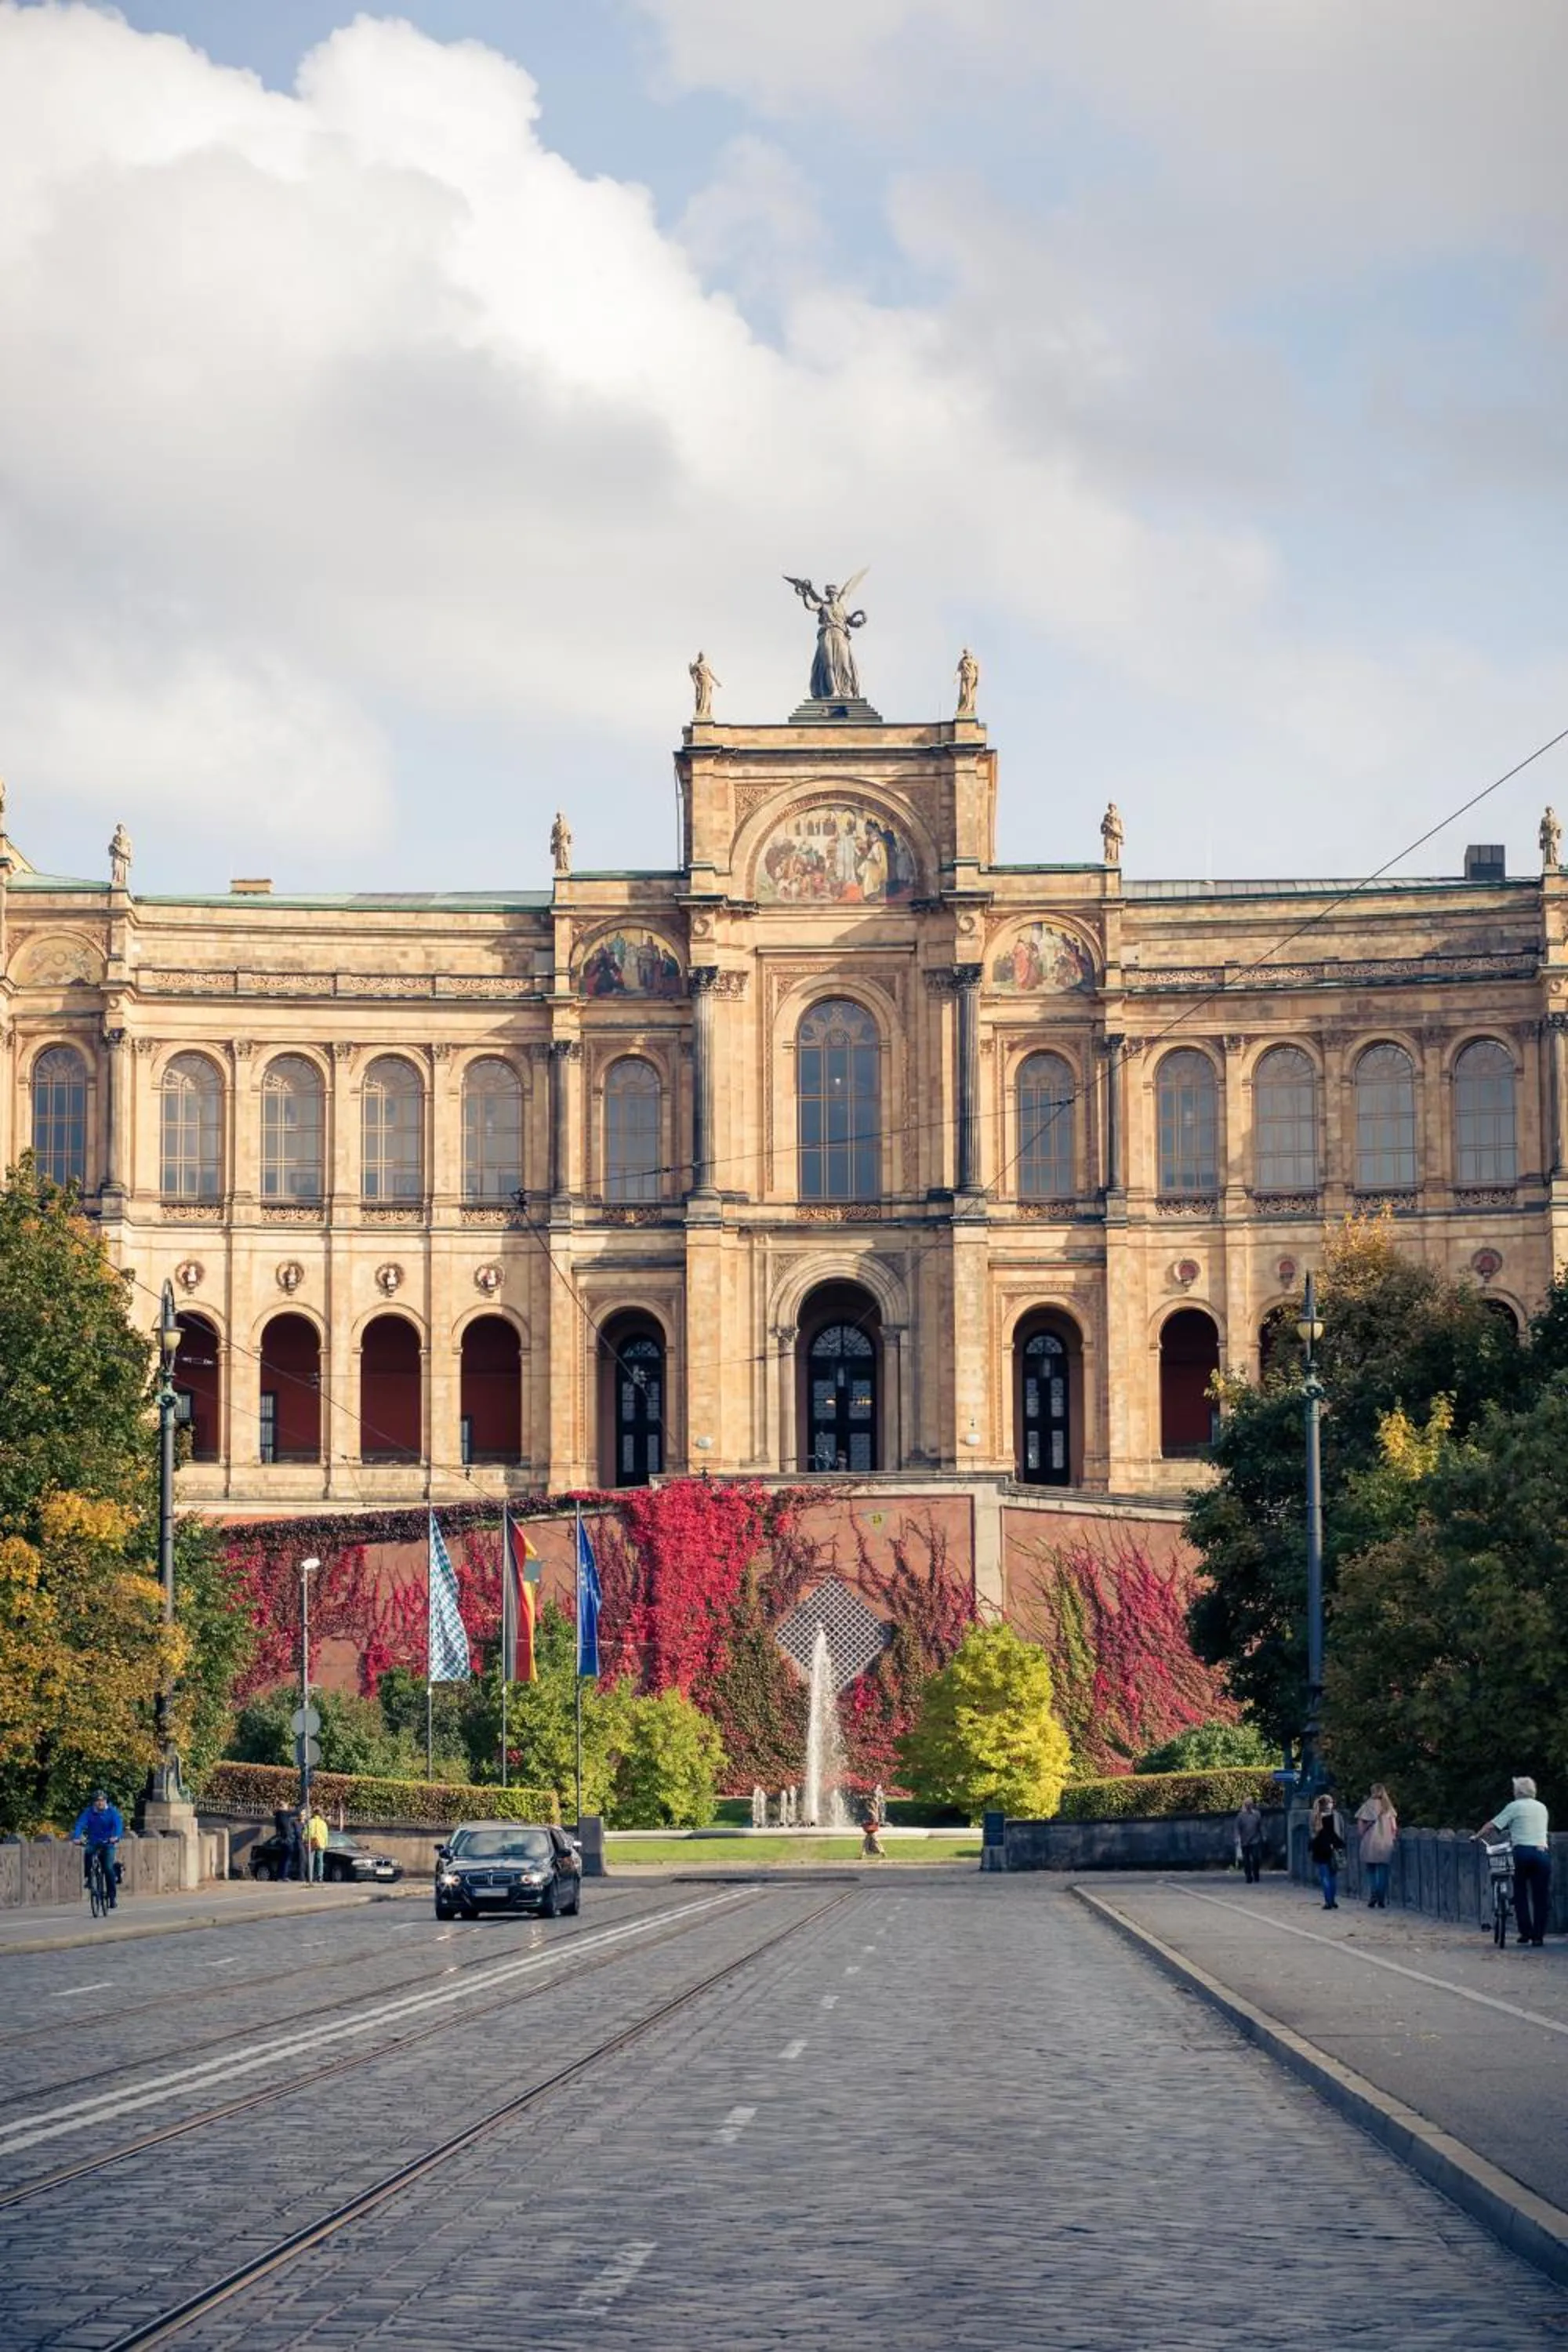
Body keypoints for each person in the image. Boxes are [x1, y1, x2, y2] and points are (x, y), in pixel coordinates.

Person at [1476, 1777, 1552, 1947]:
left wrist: (1477, 1836)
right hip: (1542, 1853)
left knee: (1520, 1892)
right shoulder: (1542, 1807)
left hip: (1522, 1852)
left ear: (1518, 1792)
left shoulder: (1514, 1806)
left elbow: (1492, 1825)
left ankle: (1525, 1932)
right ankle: (1538, 1937)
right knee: (1541, 1895)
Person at [71, 1791, 124, 1907]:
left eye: (102, 1800)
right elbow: (80, 1824)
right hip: (93, 1842)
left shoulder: (111, 1812)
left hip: (108, 1842)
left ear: (106, 1801)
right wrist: (76, 1837)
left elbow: (118, 1825)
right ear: (94, 1803)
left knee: (108, 1868)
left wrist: (116, 1837)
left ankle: (112, 1897)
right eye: (97, 1801)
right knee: (88, 1852)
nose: (100, 1803)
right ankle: (89, 1878)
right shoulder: (89, 1812)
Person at [1355, 1784, 1399, 1909]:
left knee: (1371, 1870)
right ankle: (1381, 1898)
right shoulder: (1388, 1807)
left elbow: (1360, 1830)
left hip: (1370, 1842)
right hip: (1385, 1843)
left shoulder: (1367, 1806)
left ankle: (1373, 1894)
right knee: (1383, 1871)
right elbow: (1394, 1828)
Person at [1308, 1793, 1345, 1909]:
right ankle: (1332, 1900)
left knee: (1325, 1876)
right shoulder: (1337, 1816)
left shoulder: (1315, 1816)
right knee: (1333, 1876)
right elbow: (1341, 1831)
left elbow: (1312, 1833)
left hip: (1320, 1848)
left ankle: (1328, 1901)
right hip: (1334, 1847)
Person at [1235, 1795, 1266, 1884]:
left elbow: (1261, 1826)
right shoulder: (1241, 1816)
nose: (1249, 1805)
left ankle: (1256, 1874)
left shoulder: (1257, 1814)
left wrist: (1263, 1835)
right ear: (1245, 1805)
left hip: (1255, 1840)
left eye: (1250, 1804)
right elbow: (1237, 1827)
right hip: (1245, 1841)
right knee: (1246, 1860)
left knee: (1256, 1858)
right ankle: (1248, 1876)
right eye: (1247, 1804)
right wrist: (1237, 1837)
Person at [306, 1805, 329, 1883]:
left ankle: (311, 1876)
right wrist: (326, 1844)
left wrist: (305, 1840)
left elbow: (306, 1832)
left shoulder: (310, 1822)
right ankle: (320, 1876)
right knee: (320, 1860)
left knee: (311, 1860)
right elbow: (326, 1835)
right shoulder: (323, 1823)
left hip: (312, 1842)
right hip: (321, 1843)